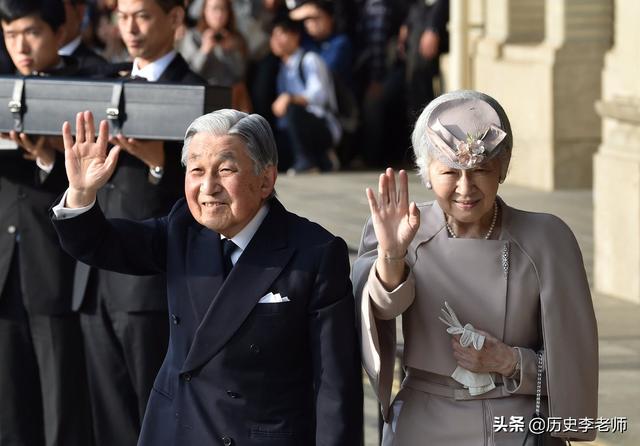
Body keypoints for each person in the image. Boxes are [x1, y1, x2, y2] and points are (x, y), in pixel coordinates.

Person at [51, 108, 363, 445]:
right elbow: (100, 244)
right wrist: (81, 193)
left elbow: (335, 386)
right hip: (177, 430)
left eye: (225, 169)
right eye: (196, 170)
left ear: (266, 180)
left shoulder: (314, 253)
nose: (208, 187)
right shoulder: (184, 228)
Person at [352, 90, 598, 445]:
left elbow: (573, 360)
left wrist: (511, 362)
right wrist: (391, 255)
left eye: (480, 170)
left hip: (516, 425)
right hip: (423, 424)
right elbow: (380, 312)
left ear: (503, 166)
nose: (465, 188)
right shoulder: (404, 228)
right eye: (450, 172)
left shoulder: (546, 239)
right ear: (426, 170)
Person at [69, 1, 204, 445]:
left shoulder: (197, 94)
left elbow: (212, 199)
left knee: (156, 416)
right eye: (123, 16)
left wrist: (160, 167)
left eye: (142, 15)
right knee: (106, 418)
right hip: (91, 281)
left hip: (148, 284)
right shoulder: (104, 83)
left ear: (175, 18)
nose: (130, 27)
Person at [0, 0, 92, 445]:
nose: (21, 44)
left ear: (60, 31)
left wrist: (46, 157)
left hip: (56, 263)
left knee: (61, 397)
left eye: (31, 32)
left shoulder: (87, 84)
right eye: (10, 33)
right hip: (4, 265)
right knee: (8, 397)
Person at [270, 15, 340, 173]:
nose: (276, 40)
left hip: (322, 125)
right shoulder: (282, 69)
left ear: (295, 36)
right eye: (273, 36)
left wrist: (290, 98)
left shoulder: (310, 60)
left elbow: (319, 96)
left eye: (281, 34)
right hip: (295, 128)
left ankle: (308, 161)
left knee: (293, 110)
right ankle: (320, 159)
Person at [177, 0, 246, 88]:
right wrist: (204, 51)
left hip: (228, 96)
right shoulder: (193, 37)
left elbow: (240, 74)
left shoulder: (236, 38)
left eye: (223, 9)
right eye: (214, 8)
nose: (219, 14)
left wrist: (228, 52)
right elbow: (186, 74)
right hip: (200, 94)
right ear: (205, 11)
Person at [58, 0, 107, 69]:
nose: (48, 10)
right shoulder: (39, 66)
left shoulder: (98, 71)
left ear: (80, 11)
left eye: (56, 3)